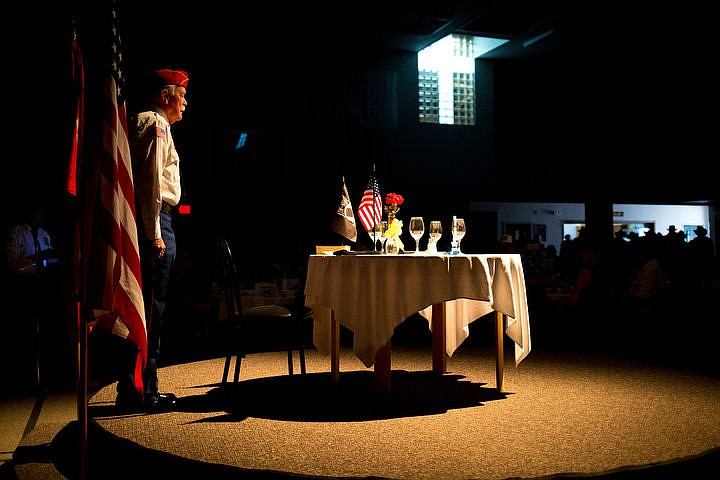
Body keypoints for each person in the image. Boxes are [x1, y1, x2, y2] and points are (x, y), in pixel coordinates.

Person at [116, 68, 189, 411]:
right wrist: (155, 234)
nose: (185, 103)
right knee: (151, 309)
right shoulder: (156, 125)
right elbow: (150, 185)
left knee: (145, 306)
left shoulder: (143, 121)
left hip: (150, 220)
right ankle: (143, 390)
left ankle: (136, 387)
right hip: (155, 220)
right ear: (165, 96)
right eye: (181, 95)